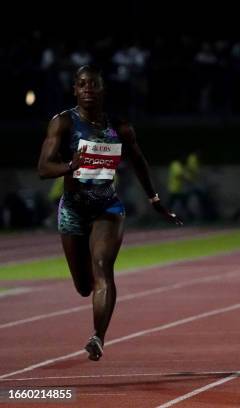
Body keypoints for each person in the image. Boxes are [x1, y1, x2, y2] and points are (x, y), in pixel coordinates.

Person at [37, 65, 182, 361]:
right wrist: (70, 166)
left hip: (108, 207)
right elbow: (43, 168)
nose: (88, 89)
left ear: (103, 90)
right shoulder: (63, 123)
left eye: (94, 84)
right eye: (82, 84)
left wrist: (154, 199)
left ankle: (98, 337)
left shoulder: (121, 127)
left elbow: (139, 162)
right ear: (75, 90)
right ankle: (94, 297)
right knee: (83, 286)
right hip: (73, 210)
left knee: (103, 265)